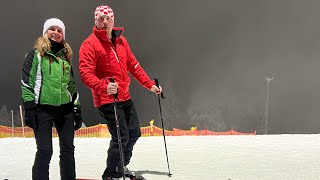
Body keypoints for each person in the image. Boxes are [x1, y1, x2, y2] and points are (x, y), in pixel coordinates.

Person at [79, 5, 161, 180]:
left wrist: (149, 84)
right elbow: (86, 73)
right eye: (101, 18)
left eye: (108, 18)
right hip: (107, 99)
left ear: (113, 20)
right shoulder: (89, 44)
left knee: (134, 133)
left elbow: (134, 65)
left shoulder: (121, 42)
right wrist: (103, 86)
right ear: (96, 21)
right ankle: (111, 172)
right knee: (121, 136)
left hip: (125, 96)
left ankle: (121, 165)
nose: (105, 22)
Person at [21, 17, 82, 180]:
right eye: (52, 29)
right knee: (45, 151)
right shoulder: (36, 54)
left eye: (59, 30)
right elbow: (27, 81)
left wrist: (76, 108)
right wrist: (29, 108)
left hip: (65, 110)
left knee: (68, 149)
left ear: (63, 35)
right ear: (45, 32)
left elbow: (71, 85)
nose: (55, 32)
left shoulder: (65, 57)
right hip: (43, 110)